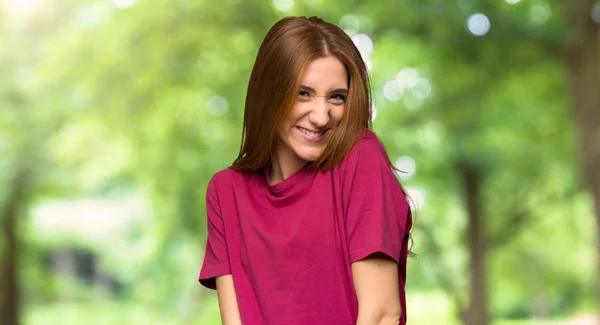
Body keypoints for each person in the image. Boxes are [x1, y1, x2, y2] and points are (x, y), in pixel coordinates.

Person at [198, 16, 413, 325]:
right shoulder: (225, 191)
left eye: (337, 97)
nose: (321, 116)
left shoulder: (359, 158)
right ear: (269, 94)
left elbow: (381, 314)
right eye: (304, 93)